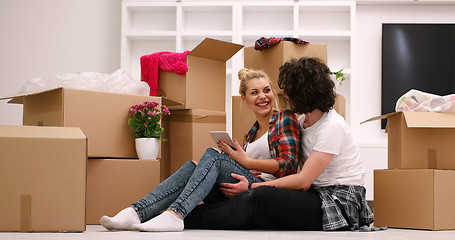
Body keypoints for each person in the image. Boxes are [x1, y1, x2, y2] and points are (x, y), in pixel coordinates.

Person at [183, 57, 378, 231]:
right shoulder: (302, 122)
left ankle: (187, 219)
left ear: (303, 95)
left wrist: (251, 186)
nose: (284, 96)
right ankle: (179, 214)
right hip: (316, 194)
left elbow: (303, 181)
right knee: (258, 210)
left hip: (339, 201)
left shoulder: (331, 126)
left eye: (289, 92)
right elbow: (285, 159)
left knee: (260, 198)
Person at [100, 68, 301, 232]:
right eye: (254, 92)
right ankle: (136, 212)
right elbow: (257, 167)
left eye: (266, 90)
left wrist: (248, 164)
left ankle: (176, 215)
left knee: (213, 156)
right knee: (192, 166)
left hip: (266, 194)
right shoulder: (251, 133)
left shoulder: (284, 118)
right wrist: (243, 163)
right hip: (243, 186)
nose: (262, 97)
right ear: (244, 98)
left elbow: (289, 165)